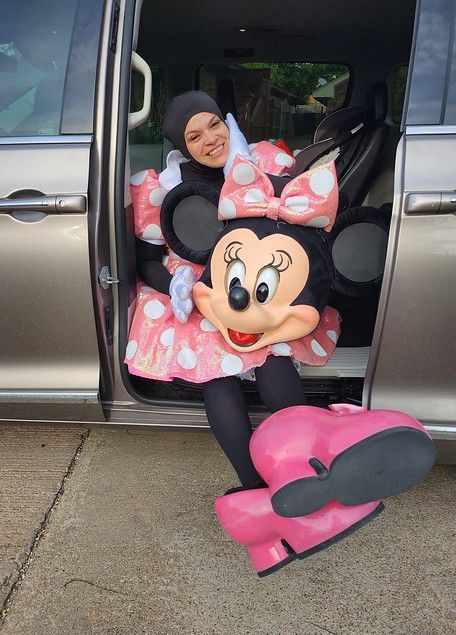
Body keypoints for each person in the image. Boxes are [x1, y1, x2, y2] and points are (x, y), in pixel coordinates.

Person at [125, 90, 339, 491]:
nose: (211, 139)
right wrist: (175, 284)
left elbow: (296, 219)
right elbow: (147, 259)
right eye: (195, 136)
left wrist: (249, 167)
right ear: (181, 146)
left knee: (274, 359)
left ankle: (309, 473)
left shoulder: (264, 161)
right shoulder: (164, 186)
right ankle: (254, 486)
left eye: (215, 125)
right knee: (218, 375)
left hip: (264, 283)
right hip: (201, 291)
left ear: (228, 124)